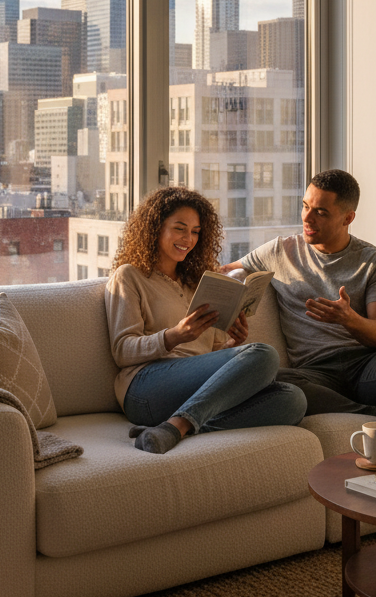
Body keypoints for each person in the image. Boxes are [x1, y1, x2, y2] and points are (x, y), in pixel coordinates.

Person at [225, 169, 376, 444]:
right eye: (305, 206)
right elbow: (226, 271)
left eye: (320, 212)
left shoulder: (373, 261)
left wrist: (348, 318)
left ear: (348, 218)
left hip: (368, 365)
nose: (306, 219)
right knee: (265, 376)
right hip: (314, 372)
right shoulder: (280, 251)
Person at [105, 186, 307, 454]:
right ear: (155, 227)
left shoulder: (199, 284)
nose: (188, 239)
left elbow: (206, 356)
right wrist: (173, 335)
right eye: (180, 228)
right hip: (144, 389)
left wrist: (233, 344)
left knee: (293, 400)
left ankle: (175, 428)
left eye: (196, 232)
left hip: (192, 390)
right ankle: (177, 425)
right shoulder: (129, 276)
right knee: (265, 354)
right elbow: (122, 350)